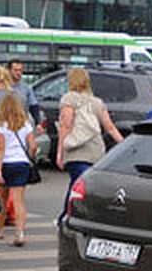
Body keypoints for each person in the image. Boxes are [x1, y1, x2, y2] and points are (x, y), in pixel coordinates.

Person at [56, 67, 123, 215]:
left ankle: (67, 216)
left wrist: (59, 153)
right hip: (96, 151)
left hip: (76, 151)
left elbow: (65, 126)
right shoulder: (97, 102)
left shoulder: (68, 99)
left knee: (77, 185)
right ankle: (71, 216)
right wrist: (125, 146)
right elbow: (110, 127)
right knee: (85, 185)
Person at [0, 93, 36, 247]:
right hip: (22, 164)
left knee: (3, 200)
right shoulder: (25, 124)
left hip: (7, 164)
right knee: (19, 201)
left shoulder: (0, 126)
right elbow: (33, 146)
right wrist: (30, 157)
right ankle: (20, 233)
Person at [8, 59, 43, 129]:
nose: (18, 73)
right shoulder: (3, 87)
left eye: (20, 70)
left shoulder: (26, 88)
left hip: (21, 124)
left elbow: (33, 106)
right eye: (15, 70)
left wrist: (38, 123)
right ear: (9, 71)